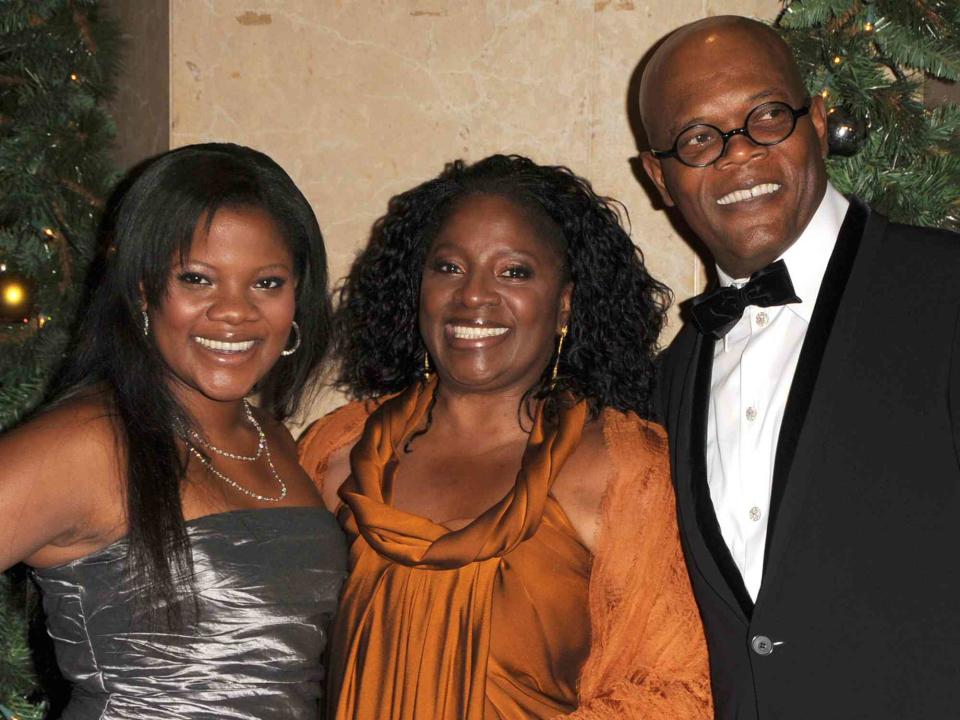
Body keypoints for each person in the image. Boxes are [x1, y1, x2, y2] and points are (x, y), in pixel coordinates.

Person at [298, 154, 712, 719]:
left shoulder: (625, 467)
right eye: (448, 268)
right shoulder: (336, 449)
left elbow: (671, 692)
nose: (473, 296)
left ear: (565, 301)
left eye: (513, 271)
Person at [639, 15, 960, 720]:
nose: (738, 156)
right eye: (699, 138)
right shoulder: (668, 380)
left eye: (765, 117)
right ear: (660, 178)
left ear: (816, 121)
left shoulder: (946, 292)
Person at [0, 143, 346, 719]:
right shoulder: (89, 443)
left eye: (266, 283)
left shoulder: (278, 440)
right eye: (197, 279)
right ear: (141, 289)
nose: (234, 312)